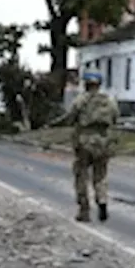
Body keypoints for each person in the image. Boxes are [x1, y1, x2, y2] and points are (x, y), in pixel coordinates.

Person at [50, 73, 120, 222]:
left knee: (81, 175)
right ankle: (102, 200)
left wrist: (53, 123)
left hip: (84, 143)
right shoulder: (109, 101)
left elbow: (70, 118)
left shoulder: (81, 100)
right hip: (103, 142)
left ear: (86, 84)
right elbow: (115, 118)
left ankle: (84, 210)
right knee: (100, 175)